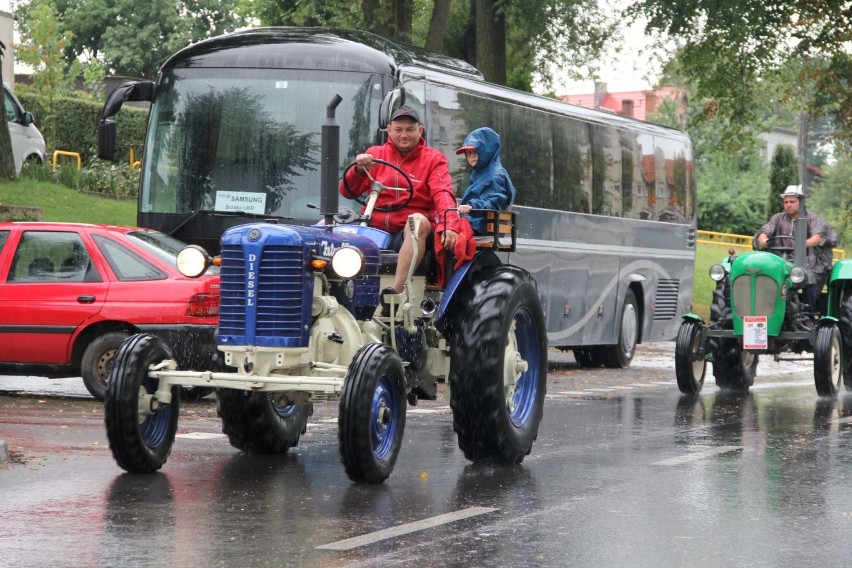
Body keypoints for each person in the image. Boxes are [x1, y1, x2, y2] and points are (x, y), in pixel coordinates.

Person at [340, 106, 460, 294]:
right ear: (389, 130)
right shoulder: (375, 155)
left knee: (417, 222)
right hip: (373, 230)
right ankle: (331, 290)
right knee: (327, 225)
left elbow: (443, 193)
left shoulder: (433, 159)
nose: (404, 135)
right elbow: (348, 191)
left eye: (410, 129)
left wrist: (450, 225)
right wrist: (357, 170)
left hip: (405, 233)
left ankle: (395, 292)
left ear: (420, 130)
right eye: (398, 129)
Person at [754, 185, 838, 317]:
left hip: (809, 262)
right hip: (782, 261)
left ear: (801, 202)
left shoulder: (813, 219)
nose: (788, 205)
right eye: (786, 202)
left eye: (792, 202)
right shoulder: (778, 218)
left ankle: (809, 316)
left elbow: (819, 235)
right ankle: (763, 313)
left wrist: (806, 243)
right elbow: (764, 231)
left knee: (808, 278)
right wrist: (763, 239)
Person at [455, 127, 516, 235]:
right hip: (475, 222)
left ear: (487, 150)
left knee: (445, 230)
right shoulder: (479, 174)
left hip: (483, 226)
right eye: (468, 152)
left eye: (476, 151)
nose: (472, 156)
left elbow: (494, 201)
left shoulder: (496, 175)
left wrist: (471, 206)